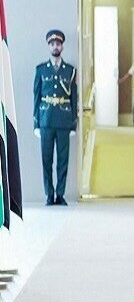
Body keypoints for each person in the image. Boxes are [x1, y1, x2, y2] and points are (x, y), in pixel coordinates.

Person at [33, 30, 77, 206]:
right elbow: (36, 97)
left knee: (63, 160)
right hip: (46, 119)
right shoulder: (41, 70)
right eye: (52, 44)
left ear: (62, 46)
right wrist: (36, 123)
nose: (55, 47)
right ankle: (49, 194)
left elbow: (74, 98)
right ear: (48, 47)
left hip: (64, 120)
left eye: (58, 44)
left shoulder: (70, 71)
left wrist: (74, 123)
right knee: (46, 159)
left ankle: (60, 194)